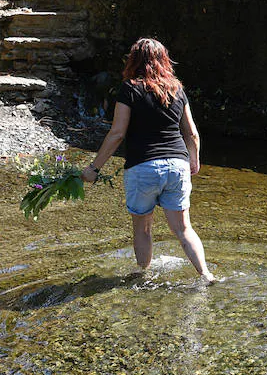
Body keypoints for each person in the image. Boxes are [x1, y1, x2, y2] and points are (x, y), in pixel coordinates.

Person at [82, 38, 216, 282]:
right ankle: (206, 275)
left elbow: (117, 133)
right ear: (164, 60)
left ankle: (143, 276)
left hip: (143, 166)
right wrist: (193, 161)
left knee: (143, 228)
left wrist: (94, 168)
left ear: (133, 60)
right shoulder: (177, 89)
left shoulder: (129, 89)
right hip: (178, 165)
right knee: (184, 228)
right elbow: (192, 133)